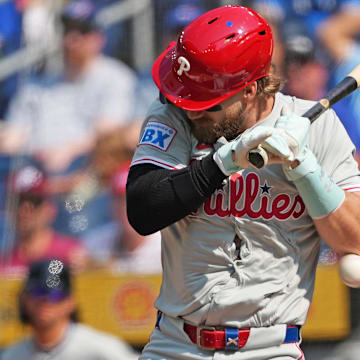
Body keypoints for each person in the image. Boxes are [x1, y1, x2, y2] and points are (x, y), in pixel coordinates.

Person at [126, 5, 360, 360]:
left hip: (271, 347)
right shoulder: (173, 115)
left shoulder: (316, 128)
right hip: (175, 344)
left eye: (207, 101)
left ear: (250, 90)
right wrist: (225, 160)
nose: (192, 110)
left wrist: (304, 166)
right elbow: (143, 210)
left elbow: (355, 236)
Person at [0, 0, 138, 175]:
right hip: (34, 172)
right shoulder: (38, 85)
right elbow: (14, 136)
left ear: (99, 37)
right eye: (68, 30)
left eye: (82, 31)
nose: (72, 39)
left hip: (86, 175)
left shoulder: (116, 77)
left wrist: (67, 152)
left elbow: (108, 135)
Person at [0, 258, 140, 359]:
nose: (45, 300)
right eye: (38, 292)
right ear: (24, 299)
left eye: (55, 294)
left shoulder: (100, 348)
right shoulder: (13, 355)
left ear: (70, 301)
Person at [0, 164, 88, 275]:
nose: (25, 210)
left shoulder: (71, 255)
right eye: (18, 202)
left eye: (34, 202)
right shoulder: (4, 262)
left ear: (50, 208)